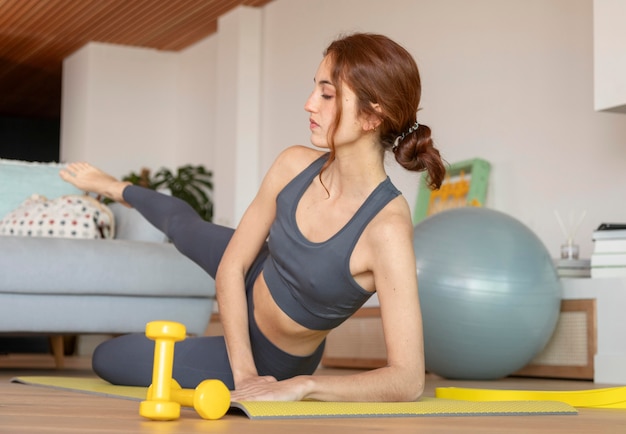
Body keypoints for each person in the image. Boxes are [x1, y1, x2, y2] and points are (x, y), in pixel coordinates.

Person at [60, 32, 445, 403]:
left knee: (108, 357)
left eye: (327, 94)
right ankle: (115, 188)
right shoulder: (294, 164)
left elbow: (408, 379)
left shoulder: (387, 230)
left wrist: (304, 386)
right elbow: (232, 266)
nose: (310, 103)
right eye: (315, 88)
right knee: (185, 227)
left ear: (371, 117)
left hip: (272, 357)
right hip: (254, 274)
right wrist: (241, 372)